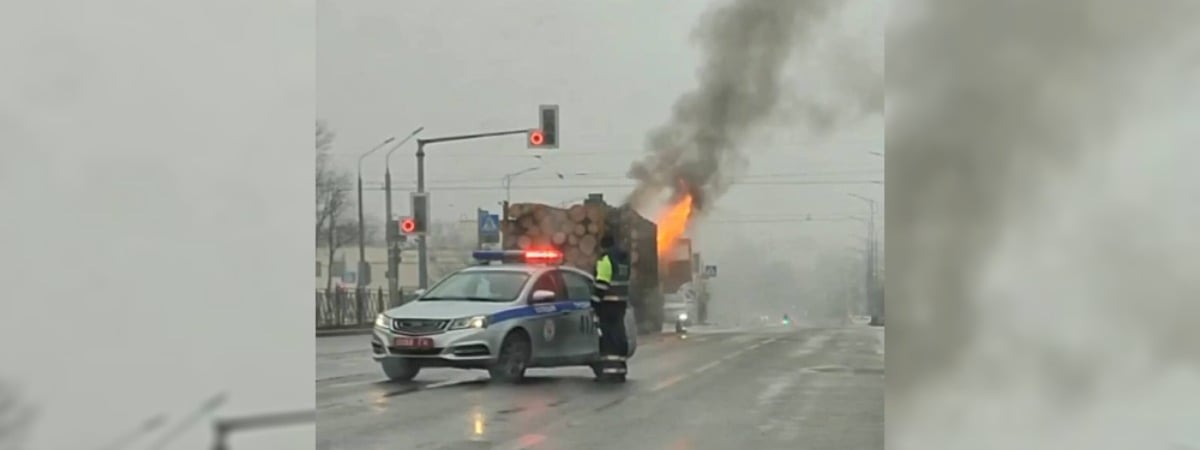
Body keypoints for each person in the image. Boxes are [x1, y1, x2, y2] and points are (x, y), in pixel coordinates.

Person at [592, 234, 629, 358]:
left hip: (608, 303)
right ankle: (621, 355)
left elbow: (601, 284)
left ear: (603, 247)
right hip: (622, 301)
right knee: (619, 329)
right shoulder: (623, 260)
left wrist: (595, 302)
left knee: (608, 332)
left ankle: (610, 357)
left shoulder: (606, 260)